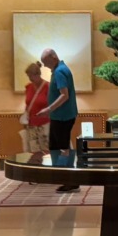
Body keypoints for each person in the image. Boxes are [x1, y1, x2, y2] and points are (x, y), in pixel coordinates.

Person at [41, 47, 80, 192]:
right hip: (60, 116)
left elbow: (64, 95)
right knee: (56, 146)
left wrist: (48, 109)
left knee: (63, 148)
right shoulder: (60, 69)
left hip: (62, 117)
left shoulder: (59, 72)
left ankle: (70, 180)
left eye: (46, 62)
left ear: (54, 58)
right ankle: (62, 176)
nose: (44, 65)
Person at [22, 60, 50, 157]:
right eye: (28, 76)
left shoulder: (48, 87)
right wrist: (25, 118)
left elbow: (53, 105)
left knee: (46, 152)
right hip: (32, 125)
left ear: (38, 74)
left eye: (31, 76)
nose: (30, 79)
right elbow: (28, 104)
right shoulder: (28, 87)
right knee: (34, 153)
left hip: (45, 125)